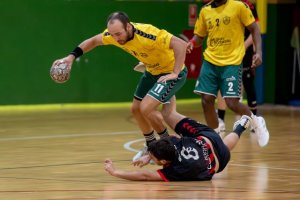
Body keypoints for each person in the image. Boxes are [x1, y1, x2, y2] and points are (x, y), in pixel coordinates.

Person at [52, 12, 188, 159]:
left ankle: (168, 146)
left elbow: (180, 44)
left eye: (118, 34)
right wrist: (71, 57)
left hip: (170, 72)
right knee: (136, 109)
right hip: (152, 71)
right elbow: (92, 41)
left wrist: (175, 72)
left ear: (128, 27)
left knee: (146, 108)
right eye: (112, 34)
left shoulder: (148, 33)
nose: (116, 38)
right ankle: (151, 145)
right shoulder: (113, 35)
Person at [187, 0, 269, 146]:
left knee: (232, 103)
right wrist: (192, 43)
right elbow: (199, 37)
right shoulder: (205, 11)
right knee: (206, 100)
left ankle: (256, 121)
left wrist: (259, 52)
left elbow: (255, 29)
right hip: (210, 61)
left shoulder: (239, 6)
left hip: (232, 62)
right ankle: (214, 137)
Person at [104, 111, 260, 181]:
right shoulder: (171, 143)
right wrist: (148, 156)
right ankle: (240, 127)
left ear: (164, 162)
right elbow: (171, 140)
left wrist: (116, 172)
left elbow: (145, 176)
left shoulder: (176, 171)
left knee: (225, 147)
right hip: (208, 138)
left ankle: (240, 127)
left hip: (219, 162)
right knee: (169, 114)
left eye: (153, 158)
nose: (151, 160)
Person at [216, 0, 260, 134]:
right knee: (222, 82)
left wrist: (246, 47)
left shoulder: (248, 6)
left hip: (244, 51)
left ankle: (254, 120)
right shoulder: (220, 5)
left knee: (247, 82)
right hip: (225, 50)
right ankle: (220, 120)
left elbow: (255, 30)